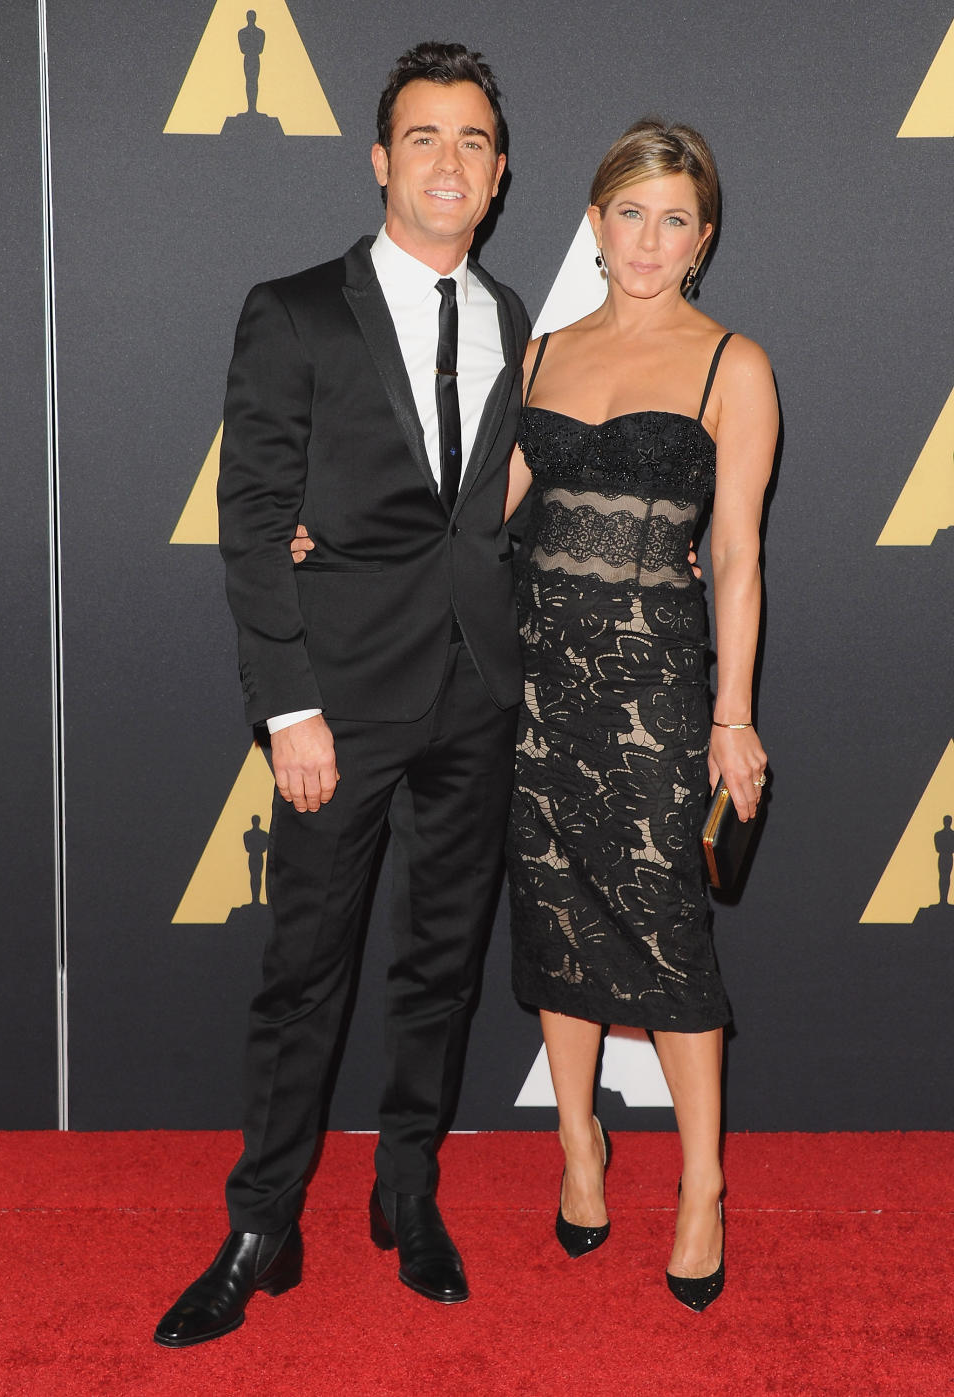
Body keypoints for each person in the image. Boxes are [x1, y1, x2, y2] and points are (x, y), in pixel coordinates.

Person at [154, 42, 531, 1348]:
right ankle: (265, 1215)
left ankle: (407, 1189)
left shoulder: (518, 321)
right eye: (423, 136)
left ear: (496, 176)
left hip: (479, 693)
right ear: (380, 160)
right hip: (341, 706)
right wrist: (289, 704)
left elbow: (497, 515)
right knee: (304, 968)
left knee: (440, 962)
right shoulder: (296, 309)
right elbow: (251, 515)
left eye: (473, 141)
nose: (448, 160)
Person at [502, 119, 777, 1311]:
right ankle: (579, 1146)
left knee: (671, 939)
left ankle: (704, 1184)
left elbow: (737, 555)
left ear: (702, 238)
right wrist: (333, 538)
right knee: (556, 923)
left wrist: (732, 714)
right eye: (630, 212)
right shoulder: (540, 352)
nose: (650, 239)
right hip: (534, 684)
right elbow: (475, 520)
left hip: (658, 690)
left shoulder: (734, 364)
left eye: (676, 218)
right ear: (596, 220)